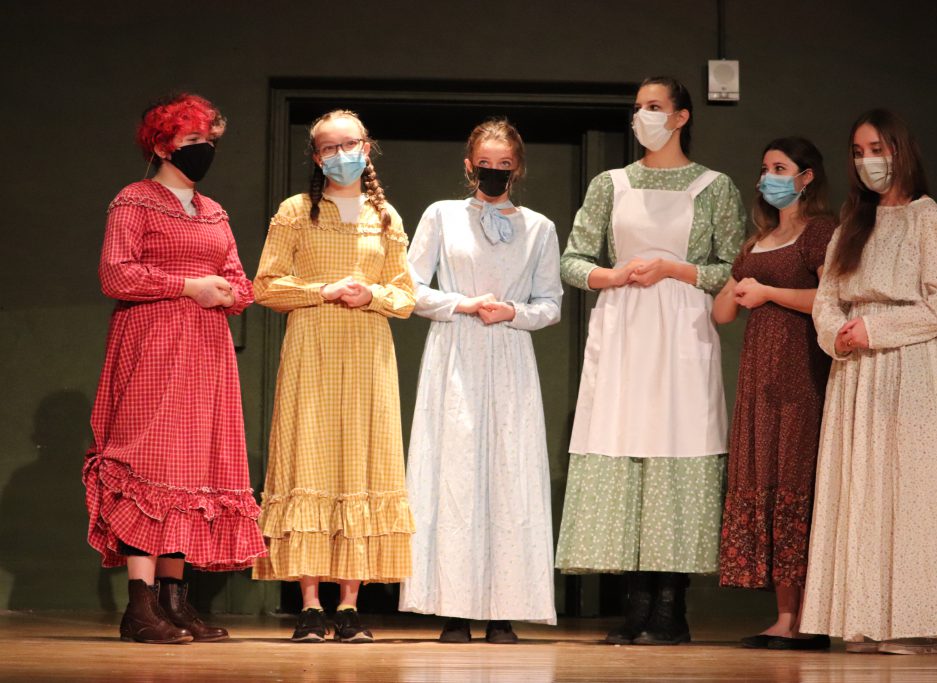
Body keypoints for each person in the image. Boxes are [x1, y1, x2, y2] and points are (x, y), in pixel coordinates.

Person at [555, 76, 745, 645]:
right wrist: (610, 275)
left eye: (655, 107)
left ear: (682, 117)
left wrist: (676, 270)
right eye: (639, 108)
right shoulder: (609, 184)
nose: (644, 116)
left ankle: (672, 606)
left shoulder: (714, 187)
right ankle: (636, 603)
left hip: (683, 333)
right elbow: (573, 259)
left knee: (675, 449)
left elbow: (734, 268)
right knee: (626, 446)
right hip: (623, 331)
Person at [83, 93, 264, 644]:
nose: (203, 151)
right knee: (149, 461)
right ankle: (139, 607)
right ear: (162, 145)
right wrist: (187, 285)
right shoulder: (135, 200)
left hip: (206, 349)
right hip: (154, 343)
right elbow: (116, 274)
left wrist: (227, 291)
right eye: (192, 142)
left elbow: (241, 283)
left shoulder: (213, 212)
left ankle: (173, 601)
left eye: (209, 142)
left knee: (193, 466)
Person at [801, 109, 937, 654]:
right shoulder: (853, 224)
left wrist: (874, 328)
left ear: (900, 151)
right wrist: (839, 334)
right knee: (859, 489)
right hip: (855, 372)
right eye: (857, 152)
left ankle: (916, 622)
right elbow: (827, 297)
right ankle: (863, 617)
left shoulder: (930, 220)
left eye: (876, 149)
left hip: (908, 364)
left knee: (912, 491)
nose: (867, 161)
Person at [252, 109, 416, 643]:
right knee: (310, 458)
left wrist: (371, 294)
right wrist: (321, 290)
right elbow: (266, 285)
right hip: (313, 348)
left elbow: (406, 294)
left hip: (368, 352)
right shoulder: (297, 212)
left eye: (350, 144)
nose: (340, 154)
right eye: (328, 147)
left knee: (362, 464)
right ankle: (309, 604)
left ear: (366, 149)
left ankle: (350, 604)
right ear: (316, 156)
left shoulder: (386, 216)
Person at [398, 119, 562, 644]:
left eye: (504, 166)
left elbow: (551, 304)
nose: (493, 173)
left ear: (518, 168)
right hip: (457, 352)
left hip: (510, 355)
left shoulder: (539, 227)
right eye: (485, 165)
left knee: (509, 475)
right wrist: (461, 303)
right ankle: (453, 607)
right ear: (469, 166)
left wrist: (513, 311)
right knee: (456, 472)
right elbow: (410, 287)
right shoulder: (442, 216)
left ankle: (503, 610)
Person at [712, 137, 836, 651]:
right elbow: (722, 315)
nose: (768, 177)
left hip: (800, 376)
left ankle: (809, 617)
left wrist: (768, 292)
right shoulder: (757, 241)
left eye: (780, 168)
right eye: (764, 168)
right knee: (766, 483)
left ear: (806, 177)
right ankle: (784, 617)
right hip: (758, 385)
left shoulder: (820, 232)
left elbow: (829, 301)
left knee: (796, 486)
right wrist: (736, 284)